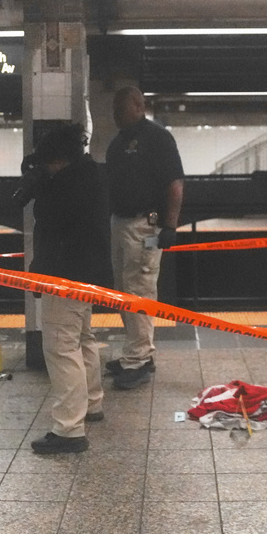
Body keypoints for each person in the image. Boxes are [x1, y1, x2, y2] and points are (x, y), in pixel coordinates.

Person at [26, 123, 114, 454]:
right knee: (82, 339)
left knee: (61, 347)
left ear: (58, 160)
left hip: (65, 277)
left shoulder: (64, 185)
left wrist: (39, 275)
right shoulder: (91, 174)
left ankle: (68, 429)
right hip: (87, 274)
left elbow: (50, 231)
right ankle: (91, 403)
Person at [104, 86, 184, 390]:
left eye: (119, 110)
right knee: (124, 291)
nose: (114, 116)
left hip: (145, 226)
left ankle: (136, 361)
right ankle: (138, 353)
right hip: (120, 223)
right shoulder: (117, 143)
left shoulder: (158, 138)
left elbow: (174, 184)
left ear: (138, 106)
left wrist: (170, 226)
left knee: (138, 290)